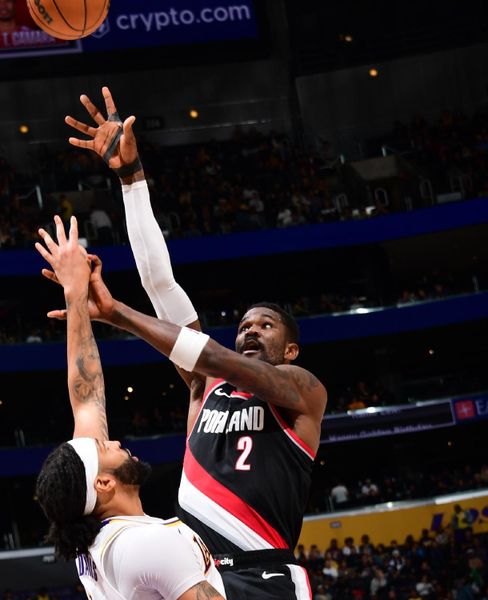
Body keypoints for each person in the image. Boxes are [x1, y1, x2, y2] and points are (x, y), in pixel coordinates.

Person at [55, 87, 328, 599]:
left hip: (263, 575)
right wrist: (130, 178)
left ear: (290, 350)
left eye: (266, 325)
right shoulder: (207, 381)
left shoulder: (301, 389)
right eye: (245, 323)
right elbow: (161, 284)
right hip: (191, 567)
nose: (250, 329)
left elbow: (212, 355)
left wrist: (115, 313)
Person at [34, 216, 226, 600]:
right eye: (107, 448)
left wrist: (75, 296)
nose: (115, 442)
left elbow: (86, 396)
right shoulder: (147, 545)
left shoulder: (95, 538)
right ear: (103, 484)